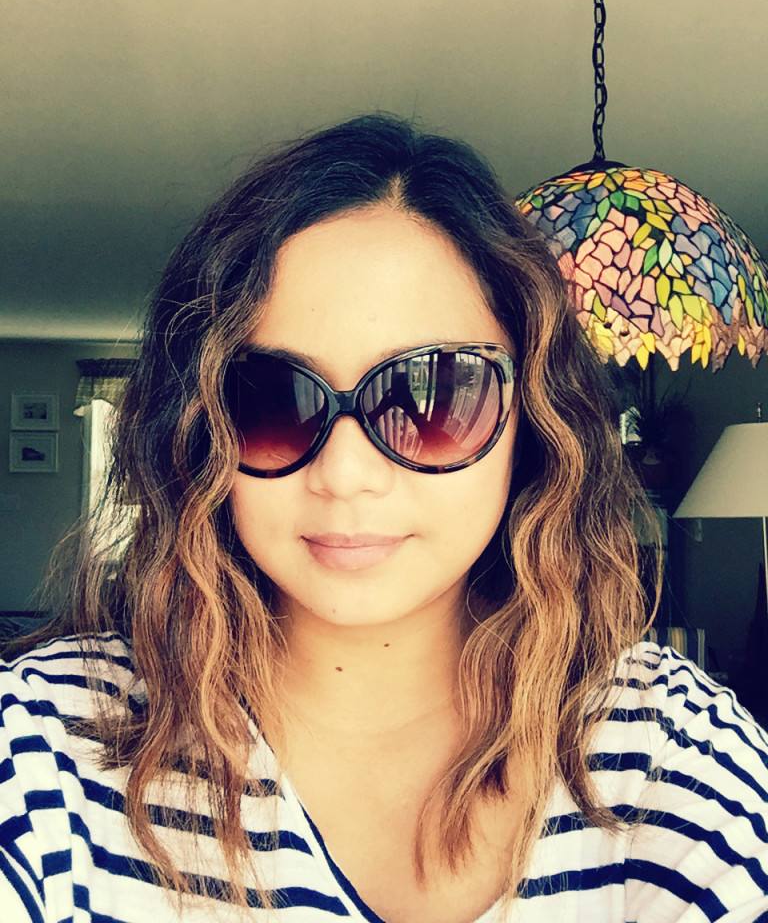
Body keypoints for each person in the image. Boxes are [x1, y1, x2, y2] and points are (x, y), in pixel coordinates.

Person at [1, 114, 767, 923]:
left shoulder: (672, 752)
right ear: (199, 431)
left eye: (431, 396)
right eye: (269, 399)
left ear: (531, 424)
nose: (346, 475)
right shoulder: (47, 748)